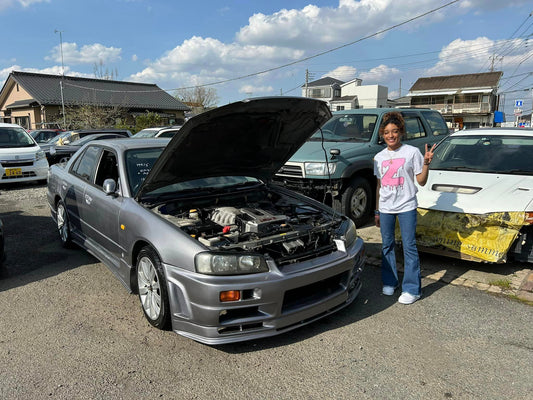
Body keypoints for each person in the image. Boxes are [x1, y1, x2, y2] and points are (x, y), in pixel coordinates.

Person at [373, 112, 435, 304]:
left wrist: (426, 163)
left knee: (409, 246)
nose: (391, 136)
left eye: (395, 131)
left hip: (407, 205)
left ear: (401, 132)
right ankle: (390, 282)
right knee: (387, 245)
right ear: (382, 134)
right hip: (385, 207)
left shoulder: (412, 152)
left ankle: (412, 289)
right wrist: (376, 210)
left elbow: (421, 181)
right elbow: (379, 185)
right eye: (387, 132)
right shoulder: (378, 157)